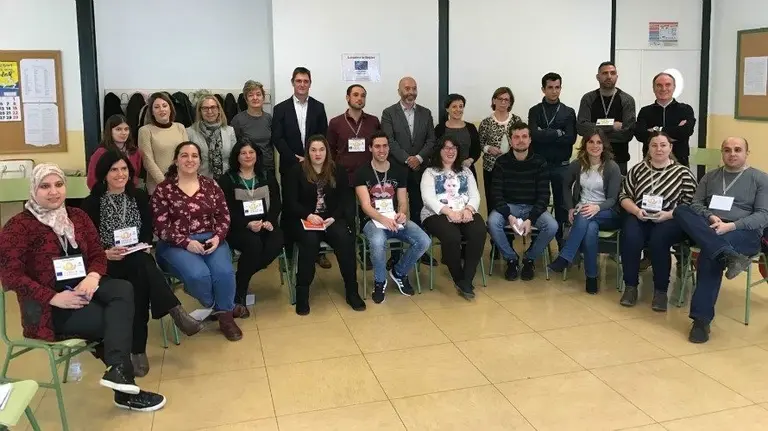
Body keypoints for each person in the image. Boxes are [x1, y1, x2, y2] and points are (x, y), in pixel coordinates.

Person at [0, 164, 166, 411]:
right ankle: (123, 386)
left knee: (123, 289)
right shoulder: (18, 227)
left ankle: (118, 372)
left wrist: (93, 276)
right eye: (45, 186)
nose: (54, 192)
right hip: (50, 307)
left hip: (86, 287)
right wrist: (54, 298)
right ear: (33, 190)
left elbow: (98, 254)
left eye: (59, 185)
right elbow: (10, 276)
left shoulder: (76, 216)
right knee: (114, 319)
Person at [81, 151, 203, 376]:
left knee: (139, 274)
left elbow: (147, 229)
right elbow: (86, 242)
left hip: (136, 256)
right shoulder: (91, 203)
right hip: (107, 262)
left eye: (124, 169)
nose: (120, 174)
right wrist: (105, 253)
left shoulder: (137, 196)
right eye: (114, 170)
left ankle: (138, 350)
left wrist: (144, 244)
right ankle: (175, 313)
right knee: (144, 270)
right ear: (104, 174)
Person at [673, 137, 768, 343]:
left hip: (744, 231)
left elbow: (763, 215)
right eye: (727, 150)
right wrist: (710, 216)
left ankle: (700, 321)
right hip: (711, 226)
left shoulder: (760, 178)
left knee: (709, 253)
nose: (732, 153)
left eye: (737, 149)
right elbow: (696, 204)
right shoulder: (710, 177)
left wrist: (731, 226)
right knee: (681, 210)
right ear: (722, 153)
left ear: (746, 153)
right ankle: (725, 254)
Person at [151, 142, 243, 341]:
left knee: (224, 272)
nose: (190, 160)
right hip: (175, 244)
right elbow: (160, 226)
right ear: (176, 160)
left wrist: (218, 237)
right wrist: (186, 242)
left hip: (211, 239)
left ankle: (225, 318)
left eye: (194, 156)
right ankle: (220, 306)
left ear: (200, 161)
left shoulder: (211, 185)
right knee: (199, 275)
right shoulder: (164, 189)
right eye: (184, 155)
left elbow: (224, 216)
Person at [283, 135, 365, 315]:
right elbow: (290, 201)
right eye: (313, 150)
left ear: (327, 151)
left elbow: (346, 199)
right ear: (308, 152)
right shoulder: (296, 171)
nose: (317, 153)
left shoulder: (338, 170)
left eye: (321, 149)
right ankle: (302, 293)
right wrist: (308, 215)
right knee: (309, 242)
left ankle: (352, 290)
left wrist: (334, 217)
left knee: (344, 239)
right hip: (304, 219)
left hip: (330, 219)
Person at [618, 131, 697, 311]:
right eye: (654, 145)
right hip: (640, 215)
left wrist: (669, 214)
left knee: (658, 240)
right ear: (648, 149)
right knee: (630, 237)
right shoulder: (638, 169)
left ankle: (660, 291)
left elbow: (691, 204)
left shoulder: (682, 172)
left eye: (663, 145)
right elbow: (623, 196)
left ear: (670, 148)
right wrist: (637, 211)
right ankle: (630, 287)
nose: (658, 149)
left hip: (670, 218)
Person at [356, 130, 431, 303]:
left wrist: (402, 214)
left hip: (394, 219)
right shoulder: (362, 172)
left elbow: (402, 201)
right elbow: (366, 206)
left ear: (389, 148)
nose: (381, 150)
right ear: (370, 149)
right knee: (377, 242)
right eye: (377, 146)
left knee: (424, 241)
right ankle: (380, 281)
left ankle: (399, 272)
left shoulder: (399, 170)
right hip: (372, 221)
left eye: (384, 146)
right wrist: (383, 220)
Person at [546, 129, 622, 293]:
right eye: (591, 142)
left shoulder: (611, 167)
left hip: (607, 212)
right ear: (585, 144)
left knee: (585, 215)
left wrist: (597, 207)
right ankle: (591, 278)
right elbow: (565, 186)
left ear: (604, 146)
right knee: (590, 228)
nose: (595, 146)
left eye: (599, 142)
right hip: (584, 213)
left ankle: (566, 256)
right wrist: (570, 207)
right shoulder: (577, 164)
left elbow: (612, 200)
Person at [217, 139, 284, 315]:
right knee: (253, 245)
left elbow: (277, 201)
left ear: (257, 155)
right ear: (236, 156)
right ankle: (240, 296)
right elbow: (226, 210)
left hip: (265, 224)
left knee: (277, 242)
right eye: (243, 153)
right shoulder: (227, 179)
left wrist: (270, 220)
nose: (248, 156)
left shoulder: (267, 175)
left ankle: (240, 278)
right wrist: (247, 224)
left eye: (251, 152)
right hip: (239, 227)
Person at [271, 67, 330, 268]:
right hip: (290, 165)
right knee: (290, 207)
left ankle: (316, 251)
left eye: (305, 81)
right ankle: (288, 252)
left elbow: (323, 136)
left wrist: (311, 158)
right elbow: (277, 138)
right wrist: (295, 158)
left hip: (316, 166)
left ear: (310, 83)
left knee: (316, 203)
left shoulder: (319, 107)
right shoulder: (280, 108)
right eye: (298, 81)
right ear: (293, 82)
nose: (302, 84)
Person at [487, 122, 557, 281]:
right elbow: (496, 194)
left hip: (533, 207)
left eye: (524, 136)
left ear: (530, 140)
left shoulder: (540, 162)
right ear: (510, 141)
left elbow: (544, 196)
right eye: (516, 137)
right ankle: (511, 259)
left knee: (552, 225)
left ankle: (529, 259)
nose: (520, 140)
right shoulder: (501, 162)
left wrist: (530, 219)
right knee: (492, 222)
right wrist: (509, 216)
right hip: (509, 208)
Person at [420, 136, 487, 298]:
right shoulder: (430, 172)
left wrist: (469, 209)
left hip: (464, 212)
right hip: (436, 214)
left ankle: (467, 279)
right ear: (439, 151)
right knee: (452, 236)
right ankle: (458, 277)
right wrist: (450, 212)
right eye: (446, 148)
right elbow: (428, 198)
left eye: (454, 148)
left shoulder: (466, 171)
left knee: (479, 230)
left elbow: (475, 195)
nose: (450, 151)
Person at [327, 84, 381, 267]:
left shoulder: (373, 121)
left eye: (363, 95)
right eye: (356, 95)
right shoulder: (335, 123)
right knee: (349, 217)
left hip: (369, 179)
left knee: (369, 216)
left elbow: (378, 148)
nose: (359, 98)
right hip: (345, 179)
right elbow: (331, 151)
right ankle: (351, 251)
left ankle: (367, 254)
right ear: (347, 97)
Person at [528, 73, 577, 249]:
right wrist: (557, 132)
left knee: (562, 206)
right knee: (538, 203)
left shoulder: (568, 112)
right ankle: (536, 242)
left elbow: (570, 138)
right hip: (539, 165)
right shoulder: (535, 110)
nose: (554, 91)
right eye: (550, 87)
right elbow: (534, 136)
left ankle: (562, 244)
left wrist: (545, 133)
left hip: (561, 166)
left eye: (557, 87)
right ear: (543, 89)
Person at [577, 61, 637, 174]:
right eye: (605, 73)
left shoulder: (627, 100)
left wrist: (595, 131)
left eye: (612, 73)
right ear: (598, 77)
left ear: (617, 77)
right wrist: (612, 126)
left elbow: (627, 134)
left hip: (619, 159)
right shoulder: (588, 98)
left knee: (617, 191)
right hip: (590, 160)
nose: (609, 76)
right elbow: (581, 127)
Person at [634, 72, 696, 166]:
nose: (663, 89)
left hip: (679, 163)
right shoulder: (645, 111)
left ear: (674, 87)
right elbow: (640, 135)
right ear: (653, 88)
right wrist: (675, 131)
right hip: (650, 164)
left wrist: (656, 130)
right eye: (659, 85)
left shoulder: (685, 110)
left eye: (668, 85)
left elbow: (685, 131)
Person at [138, 92, 189, 193]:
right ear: (152, 112)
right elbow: (148, 161)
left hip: (181, 185)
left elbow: (187, 155)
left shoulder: (180, 127)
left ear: (170, 108)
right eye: (157, 107)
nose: (162, 109)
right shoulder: (145, 131)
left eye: (165, 105)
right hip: (158, 188)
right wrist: (165, 184)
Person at [231, 80, 276, 181]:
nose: (255, 98)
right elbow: (235, 147)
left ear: (263, 97)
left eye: (258, 94)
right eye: (251, 95)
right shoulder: (238, 120)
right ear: (246, 99)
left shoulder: (269, 118)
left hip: (268, 167)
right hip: (248, 168)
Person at [186, 94, 237, 180]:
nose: (209, 111)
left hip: (226, 180)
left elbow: (234, 158)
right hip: (200, 181)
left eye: (213, 107)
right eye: (205, 108)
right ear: (200, 111)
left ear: (219, 110)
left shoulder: (229, 131)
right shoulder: (190, 132)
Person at [87, 114, 143, 189]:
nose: (123, 133)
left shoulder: (134, 152)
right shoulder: (100, 152)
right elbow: (92, 180)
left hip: (130, 194)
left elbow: (136, 175)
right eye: (118, 129)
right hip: (106, 195)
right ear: (110, 131)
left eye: (126, 129)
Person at [434, 93, 481, 180]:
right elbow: (434, 150)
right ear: (447, 109)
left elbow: (477, 149)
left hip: (467, 172)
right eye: (454, 106)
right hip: (444, 173)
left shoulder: (471, 128)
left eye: (461, 106)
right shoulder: (440, 128)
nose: (458, 109)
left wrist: (470, 160)